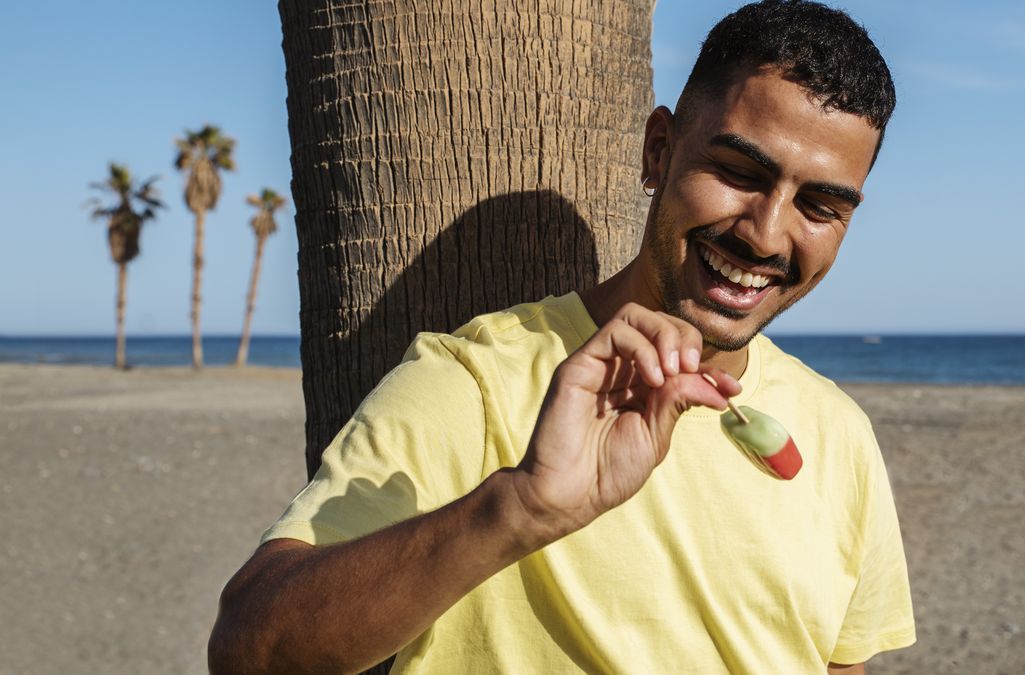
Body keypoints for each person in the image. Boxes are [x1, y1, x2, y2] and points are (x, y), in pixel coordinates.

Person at [209, 1, 915, 673]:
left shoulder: (839, 433)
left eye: (820, 206)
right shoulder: (477, 378)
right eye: (737, 172)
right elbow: (248, 649)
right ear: (659, 151)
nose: (766, 234)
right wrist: (520, 507)